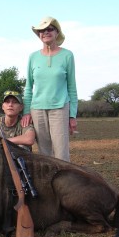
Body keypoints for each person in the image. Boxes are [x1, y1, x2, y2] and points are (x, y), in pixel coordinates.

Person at [21, 16, 78, 162]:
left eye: (49, 29)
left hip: (59, 108)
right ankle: (46, 183)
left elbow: (72, 87)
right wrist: (27, 111)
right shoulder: (33, 57)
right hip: (37, 109)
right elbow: (28, 87)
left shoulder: (67, 55)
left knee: (61, 153)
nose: (45, 32)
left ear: (56, 32)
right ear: (39, 35)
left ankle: (64, 183)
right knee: (43, 153)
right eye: (41, 30)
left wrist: (72, 115)